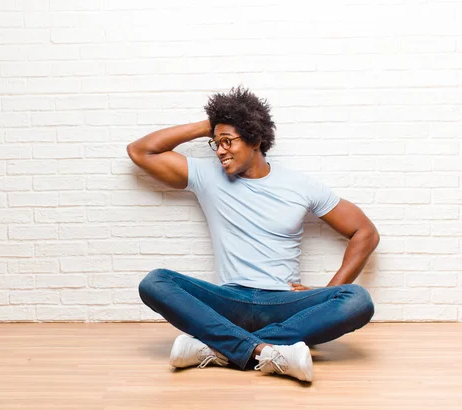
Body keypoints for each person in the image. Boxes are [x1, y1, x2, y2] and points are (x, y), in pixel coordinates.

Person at [126, 86, 379, 382]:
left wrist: (325, 291)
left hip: (283, 304)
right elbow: (140, 151)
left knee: (357, 299)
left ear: (255, 139)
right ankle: (267, 352)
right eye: (215, 142)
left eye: (228, 141)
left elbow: (365, 232)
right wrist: (211, 124)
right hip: (228, 301)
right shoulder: (207, 175)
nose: (220, 150)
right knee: (155, 282)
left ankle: (220, 346)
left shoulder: (301, 186)